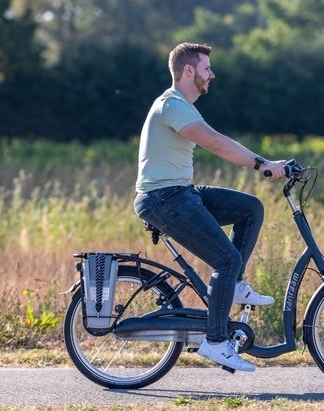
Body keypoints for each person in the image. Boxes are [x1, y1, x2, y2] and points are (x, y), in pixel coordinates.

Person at [133, 42, 286, 372]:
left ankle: (235, 286)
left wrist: (268, 163)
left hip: (180, 192)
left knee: (250, 209)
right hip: (164, 198)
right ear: (189, 71)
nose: (212, 75)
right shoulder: (171, 105)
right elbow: (215, 142)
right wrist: (262, 164)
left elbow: (218, 138)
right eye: (207, 69)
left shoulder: (183, 105)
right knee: (226, 258)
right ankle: (216, 342)